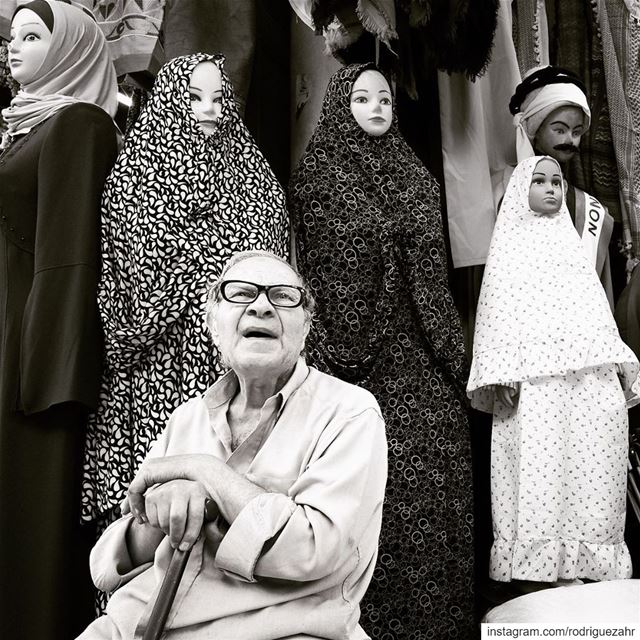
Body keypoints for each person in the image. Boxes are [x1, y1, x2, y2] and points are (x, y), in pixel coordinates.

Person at [76, 250, 387, 640]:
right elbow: (113, 563)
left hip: (281, 632)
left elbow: (312, 548)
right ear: (214, 325)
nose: (261, 306)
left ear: (305, 327)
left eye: (283, 296)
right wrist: (166, 511)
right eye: (240, 293)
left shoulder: (350, 412)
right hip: (134, 625)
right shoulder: (186, 418)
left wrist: (204, 472)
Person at [288, 63, 475, 638]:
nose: (375, 107)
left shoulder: (416, 176)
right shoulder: (316, 178)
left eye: (386, 99)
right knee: (367, 488)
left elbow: (433, 274)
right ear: (340, 103)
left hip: (422, 355)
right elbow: (325, 274)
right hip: (353, 365)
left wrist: (454, 354)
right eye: (362, 97)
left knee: (437, 479)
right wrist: (383, 240)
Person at [81, 54, 289, 533]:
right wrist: (214, 264)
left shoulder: (253, 175)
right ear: (170, 102)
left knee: (234, 518)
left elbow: (273, 271)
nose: (209, 109)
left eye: (219, 98)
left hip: (234, 374)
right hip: (156, 374)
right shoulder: (134, 177)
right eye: (194, 98)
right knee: (154, 524)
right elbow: (135, 284)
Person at [0, 1, 119, 638]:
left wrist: (45, 377)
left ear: (71, 48)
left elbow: (68, 258)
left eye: (32, 35)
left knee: (30, 510)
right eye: (10, 36)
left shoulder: (76, 124)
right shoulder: (23, 124)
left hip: (30, 357)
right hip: (10, 335)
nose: (12, 48)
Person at [468, 156, 639, 585]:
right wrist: (501, 371)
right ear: (519, 189)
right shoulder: (508, 247)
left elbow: (595, 307)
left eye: (557, 182)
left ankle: (587, 566)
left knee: (592, 466)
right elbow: (495, 311)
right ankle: (545, 570)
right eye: (538, 181)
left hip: (586, 380)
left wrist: (615, 364)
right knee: (540, 468)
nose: (550, 189)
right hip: (534, 383)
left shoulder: (571, 246)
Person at [496, 65, 615, 305]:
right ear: (535, 130)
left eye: (576, 131)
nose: (569, 140)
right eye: (559, 129)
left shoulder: (593, 212)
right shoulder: (502, 191)